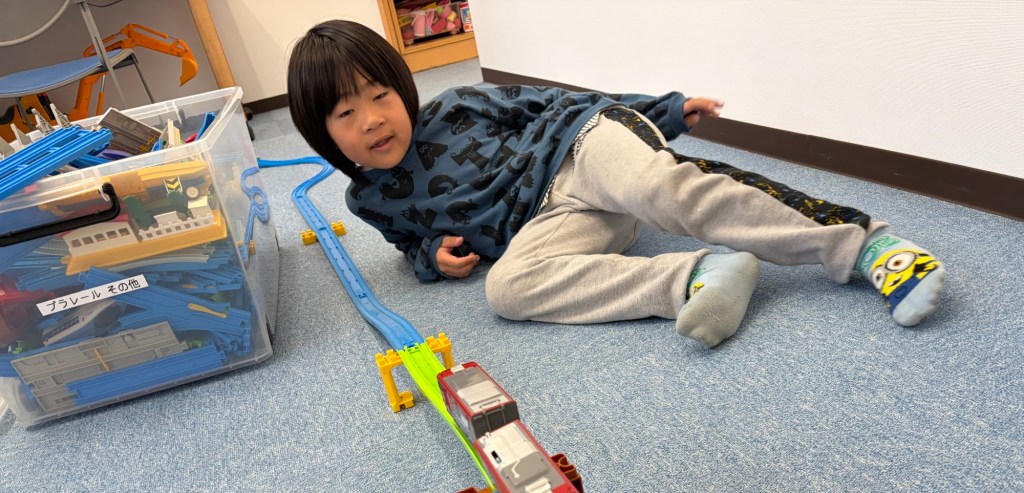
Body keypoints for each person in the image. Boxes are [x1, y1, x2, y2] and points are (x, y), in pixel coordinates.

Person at [287, 20, 946, 347]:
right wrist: (430, 257)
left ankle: (865, 245)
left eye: (380, 95)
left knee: (666, 190)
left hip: (581, 147)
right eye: (346, 113)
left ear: (402, 89)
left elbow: (556, 102)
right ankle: (700, 275)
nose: (372, 119)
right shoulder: (366, 200)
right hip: (555, 224)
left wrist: (660, 111)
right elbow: (407, 247)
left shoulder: (459, 103)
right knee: (505, 290)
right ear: (323, 134)